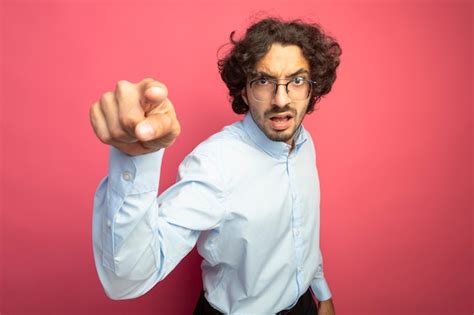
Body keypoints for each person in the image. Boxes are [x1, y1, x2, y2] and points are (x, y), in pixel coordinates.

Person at [90, 17, 341, 314]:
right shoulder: (215, 164)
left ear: (312, 88)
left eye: (297, 80)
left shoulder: (303, 143)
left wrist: (320, 290)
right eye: (263, 81)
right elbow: (126, 278)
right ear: (245, 91)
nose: (281, 99)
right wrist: (134, 159)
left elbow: (303, 229)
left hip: (304, 306)